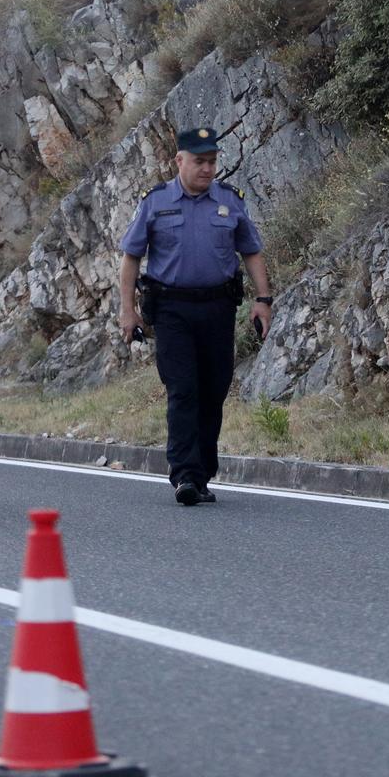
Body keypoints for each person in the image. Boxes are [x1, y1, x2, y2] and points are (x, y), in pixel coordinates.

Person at [117, 127, 273, 506]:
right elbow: (131, 257)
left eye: (212, 162)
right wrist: (127, 310)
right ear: (180, 161)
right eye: (200, 161)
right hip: (171, 310)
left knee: (214, 389)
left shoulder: (230, 201)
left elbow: (251, 251)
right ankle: (185, 475)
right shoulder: (155, 202)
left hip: (218, 309)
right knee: (183, 388)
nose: (207, 169)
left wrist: (263, 298)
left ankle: (202, 473)